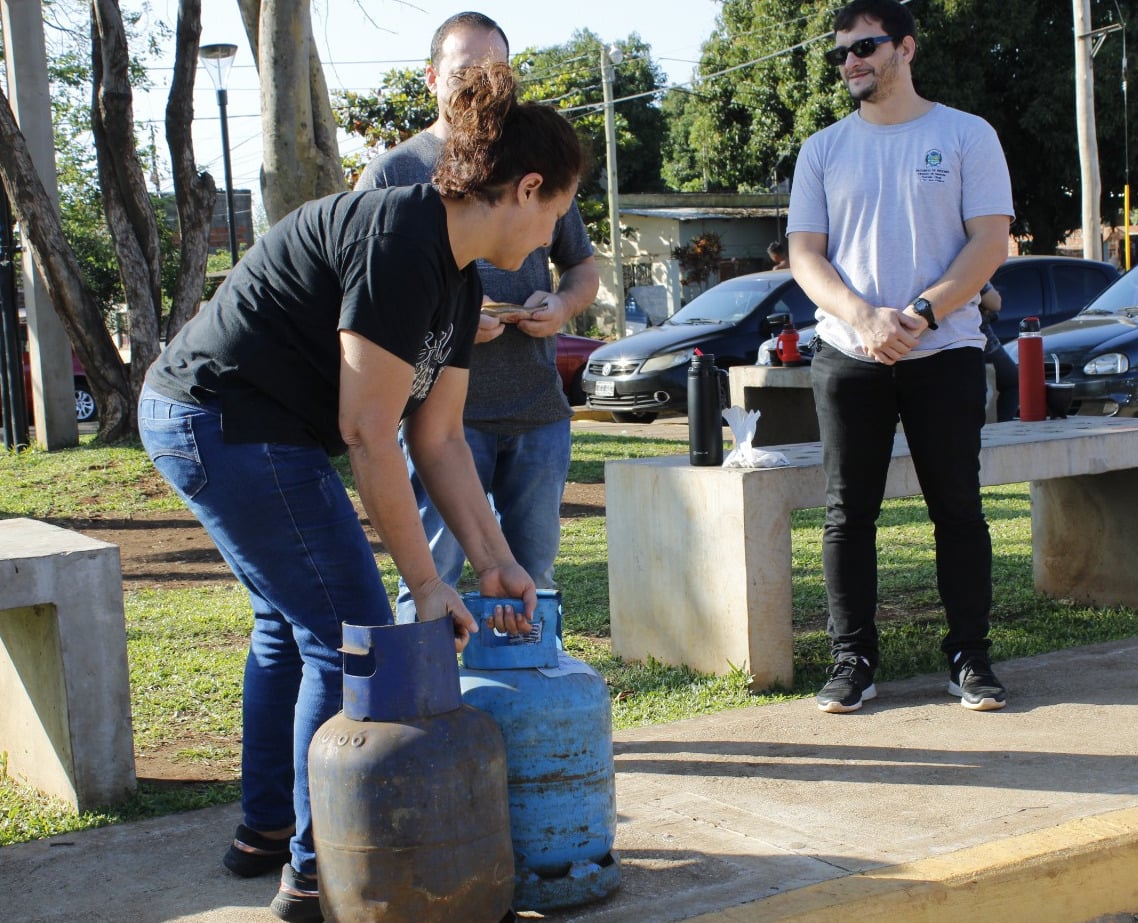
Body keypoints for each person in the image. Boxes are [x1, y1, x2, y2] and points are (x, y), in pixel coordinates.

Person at [138, 63, 582, 923]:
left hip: (246, 422)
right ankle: (318, 878)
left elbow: (438, 435)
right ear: (526, 187)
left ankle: (270, 828)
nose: (552, 233)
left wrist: (495, 563)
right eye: (556, 210)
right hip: (218, 417)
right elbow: (369, 433)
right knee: (355, 639)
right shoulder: (400, 241)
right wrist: (424, 582)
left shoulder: (456, 277)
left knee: (291, 623)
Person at [787, 0, 1014, 714]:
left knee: (959, 509)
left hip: (943, 349)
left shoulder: (965, 134)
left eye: (866, 47)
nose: (851, 61)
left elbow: (988, 242)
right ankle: (852, 659)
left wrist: (919, 314)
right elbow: (804, 254)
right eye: (842, 53)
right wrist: (862, 317)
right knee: (848, 514)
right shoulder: (822, 149)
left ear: (905, 49)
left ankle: (969, 657)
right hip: (848, 353)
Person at [355, 12, 599, 625]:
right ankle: (430, 708)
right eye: (467, 72)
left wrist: (563, 304)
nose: (483, 86)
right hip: (435, 417)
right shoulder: (394, 178)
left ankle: (519, 708)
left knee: (527, 577)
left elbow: (581, 267)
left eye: (498, 73)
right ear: (433, 77)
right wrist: (455, 328)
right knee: (430, 582)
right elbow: (368, 322)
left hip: (534, 408)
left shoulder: (533, 160)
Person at [978, 281, 1019, 421]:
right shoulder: (969, 266)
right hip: (980, 341)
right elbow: (995, 303)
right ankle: (1001, 426)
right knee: (1013, 381)